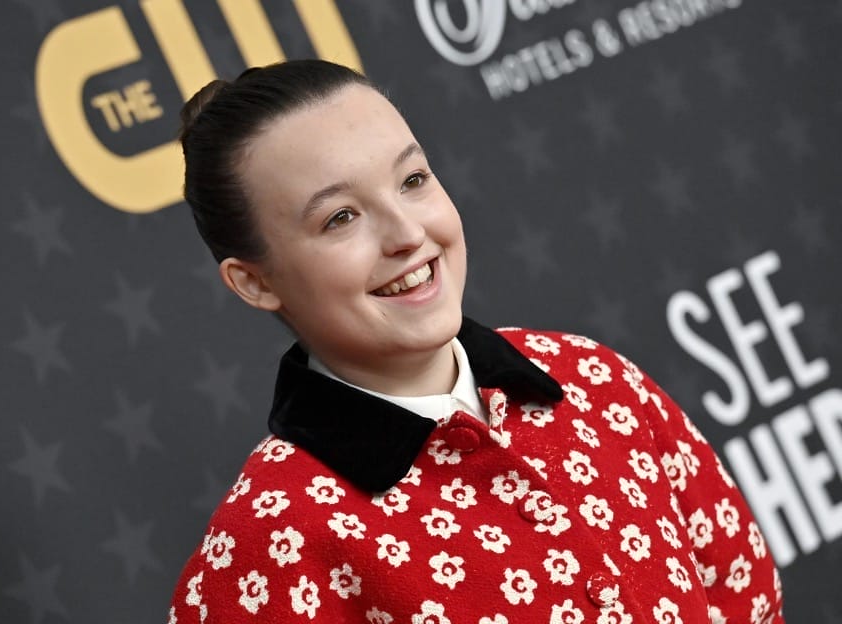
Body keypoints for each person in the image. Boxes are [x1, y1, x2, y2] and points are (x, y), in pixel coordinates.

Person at [169, 59, 784, 623]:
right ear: (253, 282)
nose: (407, 233)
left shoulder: (593, 379)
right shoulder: (265, 543)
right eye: (340, 218)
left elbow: (745, 595)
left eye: (412, 180)